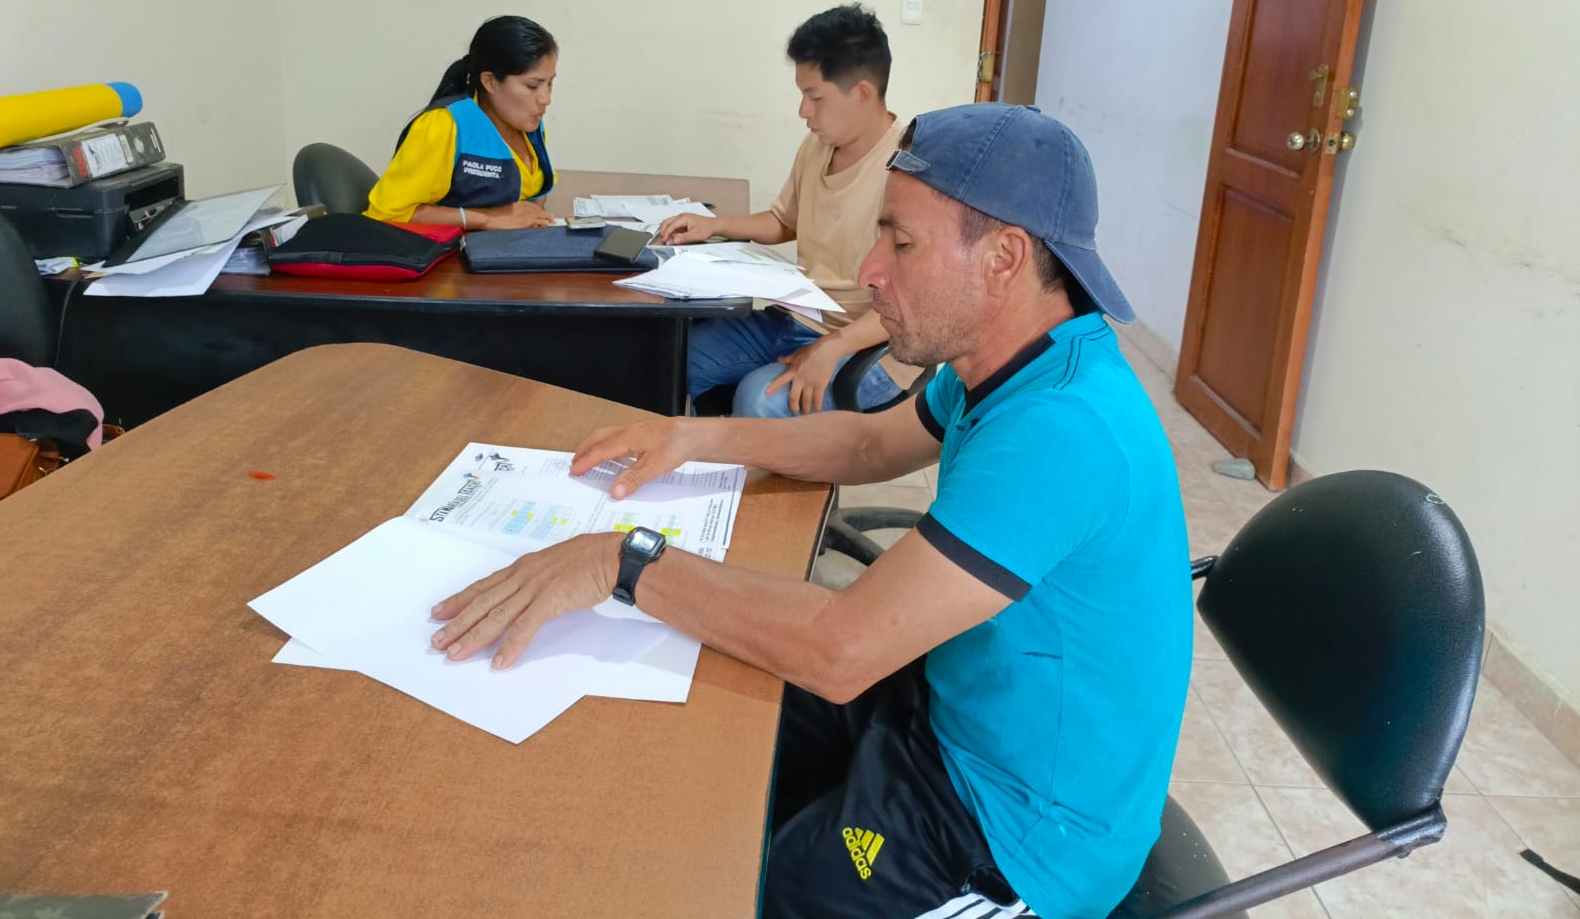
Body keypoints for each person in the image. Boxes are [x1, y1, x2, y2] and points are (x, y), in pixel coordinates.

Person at [428, 103, 1194, 919]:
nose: (871, 270)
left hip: (1011, 835)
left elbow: (841, 649)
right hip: (943, 711)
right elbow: (868, 444)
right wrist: (693, 436)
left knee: (732, 893)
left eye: (901, 244)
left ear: (1003, 257)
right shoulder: (1007, 360)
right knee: (699, 738)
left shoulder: (1064, 429)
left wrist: (619, 560)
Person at [656, 4, 912, 417]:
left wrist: (833, 346)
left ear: (862, 93)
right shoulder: (818, 145)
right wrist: (713, 225)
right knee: (666, 358)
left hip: (868, 344)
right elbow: (783, 221)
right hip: (796, 319)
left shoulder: (907, 171)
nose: (803, 111)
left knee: (758, 400)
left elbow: (915, 304)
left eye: (815, 97)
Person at [365, 15, 560, 231]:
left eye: (550, 83)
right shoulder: (443, 125)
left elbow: (532, 195)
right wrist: (488, 219)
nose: (546, 99)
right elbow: (385, 214)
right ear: (490, 82)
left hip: (510, 246)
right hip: (451, 251)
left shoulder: (529, 124)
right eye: (532, 86)